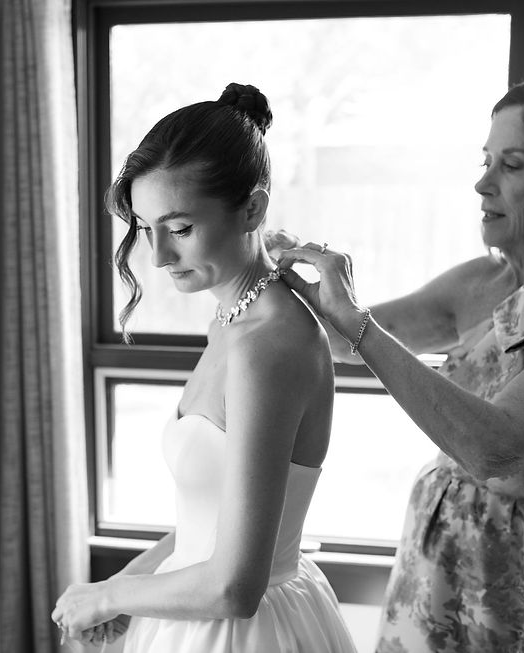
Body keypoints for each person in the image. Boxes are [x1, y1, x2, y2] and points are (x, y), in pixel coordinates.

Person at [276, 78, 524, 652]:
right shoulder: (480, 282)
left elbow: (497, 449)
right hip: (436, 561)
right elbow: (339, 339)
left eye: (511, 165)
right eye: (486, 160)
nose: (482, 183)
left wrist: (359, 323)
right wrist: (271, 270)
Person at [51, 83, 357, 652]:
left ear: (253, 208)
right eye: (147, 230)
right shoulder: (230, 319)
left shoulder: (271, 344)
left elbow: (235, 587)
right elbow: (206, 523)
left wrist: (108, 599)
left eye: (181, 228)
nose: (159, 257)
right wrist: (125, 582)